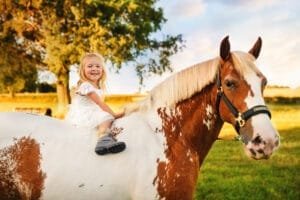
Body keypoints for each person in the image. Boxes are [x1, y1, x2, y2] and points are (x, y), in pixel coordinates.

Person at [65, 53, 126, 155]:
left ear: (102, 70)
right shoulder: (85, 85)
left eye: (98, 66)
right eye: (90, 66)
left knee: (103, 116)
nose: (94, 69)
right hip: (84, 112)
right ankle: (103, 139)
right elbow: (99, 102)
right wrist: (113, 115)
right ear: (83, 70)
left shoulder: (98, 87)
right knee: (106, 117)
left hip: (93, 110)